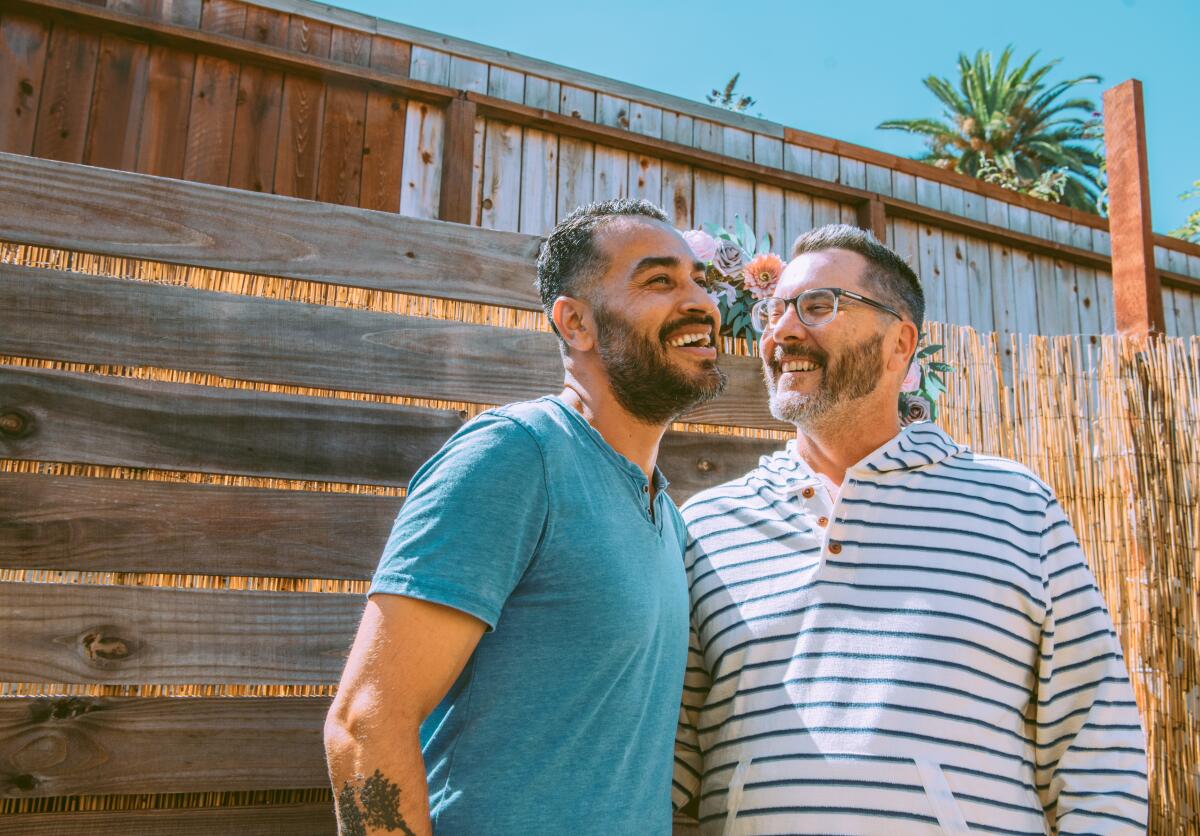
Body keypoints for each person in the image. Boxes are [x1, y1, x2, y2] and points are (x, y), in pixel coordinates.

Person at [673, 224, 1148, 834]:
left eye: (817, 306)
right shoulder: (705, 529)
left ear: (900, 344)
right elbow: (667, 762)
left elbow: (1097, 742)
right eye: (773, 310)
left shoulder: (1015, 507)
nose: (782, 332)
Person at [325, 198, 727, 835]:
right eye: (659, 281)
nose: (701, 303)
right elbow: (366, 722)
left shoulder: (664, 514)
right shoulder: (517, 455)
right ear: (575, 323)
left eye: (698, 281)